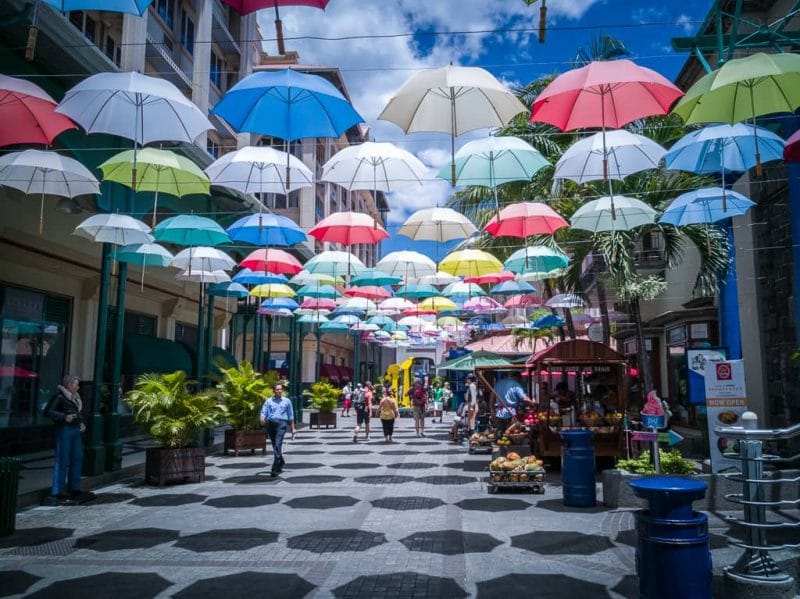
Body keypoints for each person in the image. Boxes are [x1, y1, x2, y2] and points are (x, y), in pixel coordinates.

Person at [43, 375, 85, 506]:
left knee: (77, 457)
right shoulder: (60, 397)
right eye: (76, 384)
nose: (78, 387)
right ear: (69, 385)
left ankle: (74, 487)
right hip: (64, 429)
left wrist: (81, 423)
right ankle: (58, 490)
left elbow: (77, 413)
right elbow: (48, 411)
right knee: (62, 459)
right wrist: (64, 417)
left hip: (75, 430)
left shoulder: (75, 398)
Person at [259, 382, 296, 477]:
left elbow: (291, 415)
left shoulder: (287, 401)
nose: (279, 391)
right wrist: (262, 418)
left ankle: (274, 468)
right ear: (274, 391)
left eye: (281, 389)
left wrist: (292, 428)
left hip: (282, 424)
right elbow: (264, 411)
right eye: (277, 389)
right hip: (271, 424)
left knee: (278, 444)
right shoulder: (269, 401)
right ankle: (281, 461)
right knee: (275, 445)